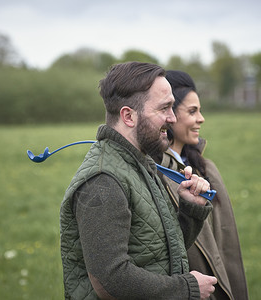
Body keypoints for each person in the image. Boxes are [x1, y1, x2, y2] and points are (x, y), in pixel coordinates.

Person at [60, 62, 218, 300]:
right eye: (164, 108)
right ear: (128, 116)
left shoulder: (141, 165)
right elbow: (110, 279)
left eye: (173, 107)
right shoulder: (103, 182)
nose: (173, 118)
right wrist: (187, 289)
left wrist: (191, 209)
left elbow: (158, 252)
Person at [154, 70, 249, 300]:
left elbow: (227, 247)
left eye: (200, 110)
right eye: (192, 111)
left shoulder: (207, 169)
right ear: (170, 114)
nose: (201, 118)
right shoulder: (154, 174)